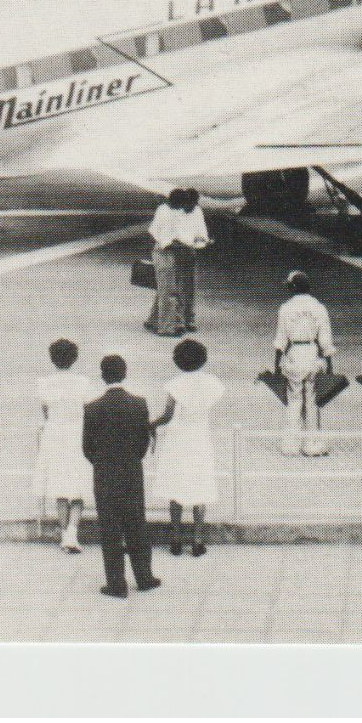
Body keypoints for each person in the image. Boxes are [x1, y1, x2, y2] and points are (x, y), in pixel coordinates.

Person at [81, 354, 160, 598]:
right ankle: (144, 577)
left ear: (103, 376)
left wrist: (102, 462)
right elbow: (143, 443)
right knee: (137, 523)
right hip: (131, 472)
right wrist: (132, 459)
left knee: (110, 527)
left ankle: (116, 583)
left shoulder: (92, 408)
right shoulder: (139, 404)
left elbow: (87, 447)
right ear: (125, 374)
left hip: (104, 474)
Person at [149, 338, 225, 557]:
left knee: (176, 488)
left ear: (178, 361)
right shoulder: (212, 383)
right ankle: (198, 540)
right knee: (200, 487)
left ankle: (175, 539)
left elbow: (167, 416)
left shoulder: (175, 385)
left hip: (178, 440)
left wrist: (151, 424)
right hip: (200, 438)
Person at [31, 338, 93, 554]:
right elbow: (88, 411)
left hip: (55, 434)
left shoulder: (44, 383)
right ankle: (72, 533)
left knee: (60, 483)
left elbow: (46, 412)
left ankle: (65, 530)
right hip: (77, 434)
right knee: (77, 484)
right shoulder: (83, 383)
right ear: (74, 359)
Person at [273, 270, 335, 457]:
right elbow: (325, 339)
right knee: (312, 400)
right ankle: (312, 444)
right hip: (313, 354)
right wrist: (330, 365)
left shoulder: (285, 308)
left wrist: (277, 365)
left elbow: (280, 340)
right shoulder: (319, 308)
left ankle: (291, 445)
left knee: (294, 400)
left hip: (294, 354)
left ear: (293, 287)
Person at [144, 191, 186, 336]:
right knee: (169, 292)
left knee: (164, 289)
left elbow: (153, 232)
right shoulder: (167, 215)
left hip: (161, 252)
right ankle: (166, 328)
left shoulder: (163, 208)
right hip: (166, 253)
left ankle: (153, 321)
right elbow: (167, 243)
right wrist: (187, 245)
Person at [171, 189, 210, 333]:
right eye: (189, 205)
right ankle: (179, 319)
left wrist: (203, 240)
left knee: (190, 287)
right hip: (178, 252)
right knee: (178, 286)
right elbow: (173, 234)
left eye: (194, 205)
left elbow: (201, 231)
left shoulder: (197, 211)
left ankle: (189, 318)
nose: (192, 208)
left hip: (191, 252)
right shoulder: (176, 213)